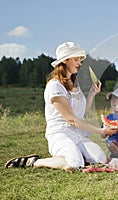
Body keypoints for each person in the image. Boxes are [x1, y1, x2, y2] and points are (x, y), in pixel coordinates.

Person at [5, 41, 108, 171]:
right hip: (60, 133)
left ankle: (76, 154)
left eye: (80, 60)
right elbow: (71, 119)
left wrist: (92, 94)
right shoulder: (55, 86)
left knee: (101, 159)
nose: (80, 63)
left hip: (78, 134)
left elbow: (81, 115)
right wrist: (101, 131)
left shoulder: (75, 85)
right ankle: (34, 161)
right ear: (65, 60)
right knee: (74, 164)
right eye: (76, 59)